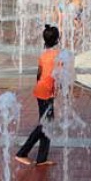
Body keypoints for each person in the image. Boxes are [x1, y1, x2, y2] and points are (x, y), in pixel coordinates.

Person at [16, 25, 61, 166]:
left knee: (48, 124)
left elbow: (39, 74)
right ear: (57, 40)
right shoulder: (57, 56)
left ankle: (42, 158)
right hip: (46, 93)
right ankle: (22, 153)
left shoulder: (44, 55)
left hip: (41, 91)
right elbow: (59, 76)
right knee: (44, 125)